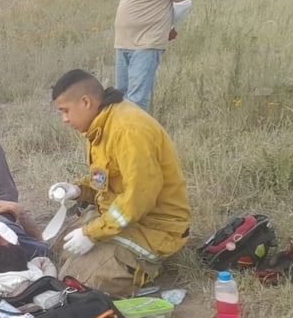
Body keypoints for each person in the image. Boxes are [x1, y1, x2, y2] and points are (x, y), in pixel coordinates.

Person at [48, 69, 191, 297]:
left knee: (76, 283)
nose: (64, 119)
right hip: (124, 219)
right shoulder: (101, 125)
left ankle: (146, 267)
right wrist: (78, 189)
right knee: (56, 250)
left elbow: (137, 200)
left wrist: (92, 233)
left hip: (154, 228)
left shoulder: (128, 130)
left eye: (65, 111)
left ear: (85, 102)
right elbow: (108, 181)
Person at [114, 0, 192, 112]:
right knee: (120, 96)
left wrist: (167, 26)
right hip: (122, 41)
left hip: (147, 42)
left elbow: (183, 4)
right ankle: (123, 135)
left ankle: (137, 135)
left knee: (136, 100)